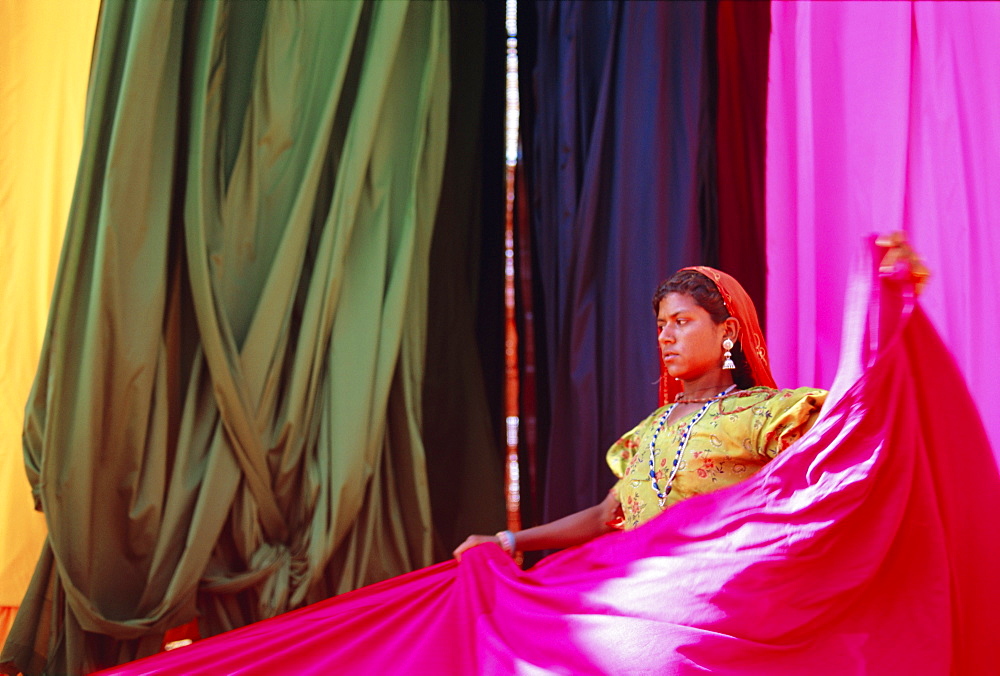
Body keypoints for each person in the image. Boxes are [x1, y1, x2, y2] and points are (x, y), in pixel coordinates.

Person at [453, 266, 825, 559]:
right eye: (662, 325)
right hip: (641, 594)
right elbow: (604, 516)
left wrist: (882, 299)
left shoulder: (764, 415)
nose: (665, 336)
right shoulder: (649, 430)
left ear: (727, 331)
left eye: (682, 322)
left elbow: (856, 440)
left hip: (720, 607)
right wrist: (507, 540)